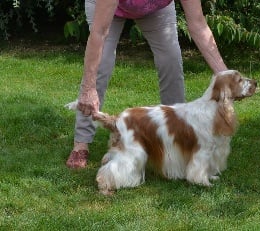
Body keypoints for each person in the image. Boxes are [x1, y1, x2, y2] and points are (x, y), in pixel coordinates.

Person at [66, 0, 228, 168]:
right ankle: (81, 143)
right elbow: (99, 33)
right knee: (102, 63)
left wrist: (225, 76)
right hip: (106, 7)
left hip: (155, 9)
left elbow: (198, 25)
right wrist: (89, 88)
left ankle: (175, 136)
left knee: (171, 59)